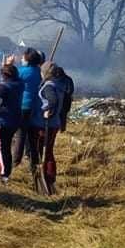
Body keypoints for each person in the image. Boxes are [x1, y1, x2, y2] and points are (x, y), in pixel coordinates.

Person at [31, 61, 70, 195]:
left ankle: (46, 177)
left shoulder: (49, 86)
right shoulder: (60, 84)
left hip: (45, 124)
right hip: (54, 123)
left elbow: (52, 101)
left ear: (45, 73)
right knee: (48, 151)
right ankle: (50, 177)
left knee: (44, 151)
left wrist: (48, 111)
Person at [0, 62, 24, 185]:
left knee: (0, 149)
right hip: (13, 120)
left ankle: (3, 174)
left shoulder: (3, 86)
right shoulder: (18, 85)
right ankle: (7, 171)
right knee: (6, 148)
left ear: (4, 75)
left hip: (0, 120)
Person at [11, 47, 43, 167]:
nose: (22, 58)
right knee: (32, 136)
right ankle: (34, 162)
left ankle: (15, 162)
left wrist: (8, 65)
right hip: (34, 107)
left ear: (28, 59)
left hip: (23, 106)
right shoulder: (38, 71)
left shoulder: (23, 71)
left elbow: (9, 79)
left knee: (20, 134)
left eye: (23, 57)